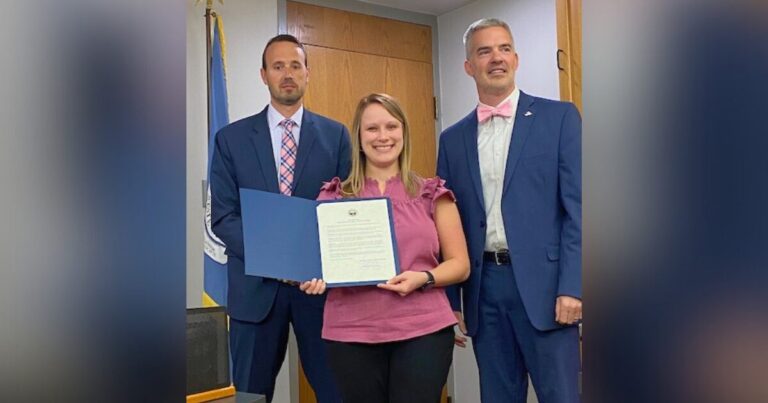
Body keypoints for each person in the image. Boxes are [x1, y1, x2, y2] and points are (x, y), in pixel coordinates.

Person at [436, 18, 582, 403]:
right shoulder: (451, 140)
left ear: (516, 59)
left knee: (561, 396)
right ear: (469, 66)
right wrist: (451, 301)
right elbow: (445, 224)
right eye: (484, 51)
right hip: (484, 291)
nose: (495, 58)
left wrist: (573, 286)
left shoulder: (560, 118)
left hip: (549, 288)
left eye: (503, 49)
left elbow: (579, 209)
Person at [299, 93, 470, 403]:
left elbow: (460, 263)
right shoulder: (333, 198)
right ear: (359, 137)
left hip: (424, 331)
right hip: (350, 333)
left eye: (391, 126)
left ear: (403, 132)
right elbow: (315, 264)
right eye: (372, 129)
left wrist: (424, 278)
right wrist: (312, 278)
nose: (383, 136)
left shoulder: (433, 193)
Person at [209, 34, 350, 402]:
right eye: (277, 66)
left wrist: (315, 265)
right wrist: (278, 262)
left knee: (337, 392)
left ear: (307, 73)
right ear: (263, 75)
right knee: (251, 396)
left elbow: (346, 212)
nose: (287, 74)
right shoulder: (231, 139)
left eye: (295, 65)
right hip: (255, 293)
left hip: (320, 293)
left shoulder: (336, 136)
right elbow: (223, 217)